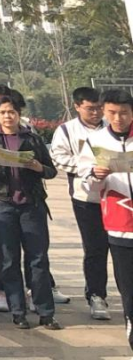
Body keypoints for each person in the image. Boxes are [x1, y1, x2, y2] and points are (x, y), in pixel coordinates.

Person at [0, 95, 59, 330]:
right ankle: (18, 310)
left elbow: (51, 170)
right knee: (9, 258)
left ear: (19, 114)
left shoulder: (32, 139)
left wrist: (38, 167)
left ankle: (45, 311)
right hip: (1, 203)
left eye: (11, 112)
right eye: (2, 112)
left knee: (38, 258)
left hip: (31, 204)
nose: (8, 116)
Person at [51, 87, 110, 320]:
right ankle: (96, 295)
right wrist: (88, 167)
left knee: (122, 248)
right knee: (95, 248)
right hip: (87, 198)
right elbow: (58, 158)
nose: (96, 113)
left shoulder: (111, 127)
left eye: (99, 108)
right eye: (90, 109)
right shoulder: (67, 130)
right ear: (77, 106)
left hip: (118, 196)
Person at [82, 89, 133, 355]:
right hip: (120, 224)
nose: (118, 118)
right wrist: (95, 175)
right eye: (112, 113)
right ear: (104, 111)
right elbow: (85, 184)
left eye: (124, 113)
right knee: (129, 290)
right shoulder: (96, 141)